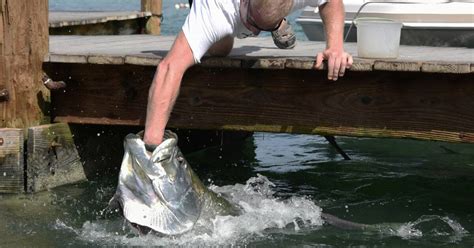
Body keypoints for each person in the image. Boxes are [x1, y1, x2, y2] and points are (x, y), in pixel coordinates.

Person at [143, 0, 353, 148]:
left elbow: (331, 2)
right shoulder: (215, 10)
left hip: (262, 11)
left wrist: (335, 47)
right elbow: (169, 68)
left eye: (259, 28)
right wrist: (152, 144)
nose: (254, 34)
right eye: (253, 26)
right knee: (220, 49)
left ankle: (275, 24)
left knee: (234, 34)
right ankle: (248, 26)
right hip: (224, 11)